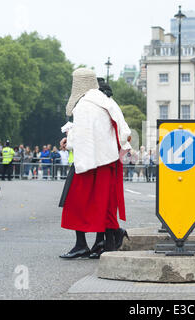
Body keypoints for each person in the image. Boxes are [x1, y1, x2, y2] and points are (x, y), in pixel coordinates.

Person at [59, 68, 132, 259]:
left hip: (90, 162)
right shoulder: (107, 102)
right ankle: (106, 242)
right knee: (105, 204)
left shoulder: (83, 105)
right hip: (109, 160)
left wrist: (69, 143)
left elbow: (79, 138)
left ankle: (81, 245)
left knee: (75, 203)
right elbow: (124, 132)